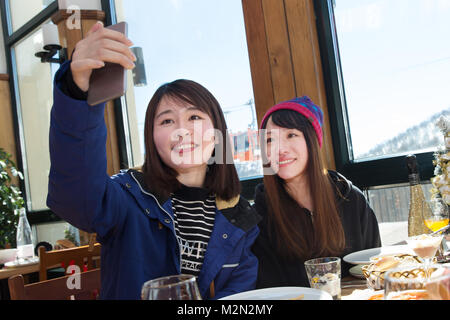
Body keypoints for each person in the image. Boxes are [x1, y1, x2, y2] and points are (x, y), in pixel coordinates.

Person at [47, 21, 260, 300]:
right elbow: (76, 198)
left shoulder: (241, 219)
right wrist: (76, 92)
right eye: (167, 120)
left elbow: (239, 298)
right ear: (152, 139)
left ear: (218, 135)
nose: (182, 130)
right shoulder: (127, 197)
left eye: (194, 117)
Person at [251, 96, 381, 289]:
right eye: (270, 140)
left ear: (312, 141)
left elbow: (376, 267)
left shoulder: (351, 198)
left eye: (291, 135)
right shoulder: (260, 216)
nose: (280, 149)